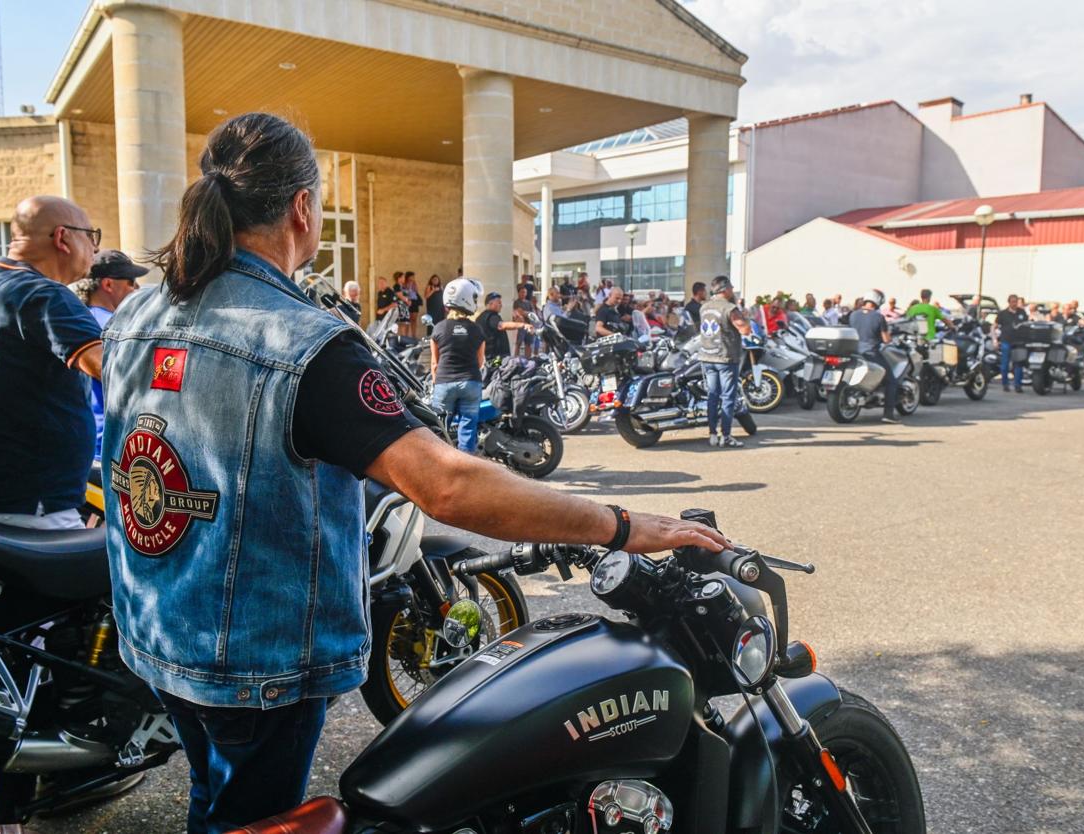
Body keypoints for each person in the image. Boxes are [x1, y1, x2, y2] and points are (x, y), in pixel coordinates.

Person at [100, 114, 726, 834]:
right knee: (253, 815)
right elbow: (447, 485)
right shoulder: (303, 340)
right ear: (302, 209)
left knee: (218, 800)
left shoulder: (138, 310)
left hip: (159, 624)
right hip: (254, 658)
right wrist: (624, 525)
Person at [0, 195, 104, 530]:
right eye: (91, 237)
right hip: (33, 506)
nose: (95, 249)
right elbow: (113, 369)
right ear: (63, 238)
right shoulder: (45, 296)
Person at [78, 249, 145, 457]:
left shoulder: (78, 319)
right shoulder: (115, 326)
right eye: (131, 282)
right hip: (111, 447)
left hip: (87, 444)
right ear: (108, 284)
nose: (136, 289)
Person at [430, 278, 485, 453]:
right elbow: (480, 362)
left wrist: (435, 382)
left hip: (444, 382)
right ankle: (466, 470)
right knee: (468, 429)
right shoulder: (476, 329)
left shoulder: (439, 328)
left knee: (440, 429)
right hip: (470, 382)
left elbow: (434, 363)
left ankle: (440, 467)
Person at [698, 275, 751, 448]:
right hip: (725, 357)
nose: (733, 290)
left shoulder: (704, 308)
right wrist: (746, 318)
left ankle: (712, 434)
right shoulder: (730, 308)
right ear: (725, 289)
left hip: (707, 356)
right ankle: (726, 436)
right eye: (731, 287)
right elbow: (744, 330)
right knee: (728, 397)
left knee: (712, 396)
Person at [848, 289, 898, 423]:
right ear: (879, 301)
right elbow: (886, 339)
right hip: (871, 353)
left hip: (854, 353)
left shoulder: (853, 315)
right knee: (891, 381)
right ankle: (888, 414)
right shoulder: (878, 317)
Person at [475, 291, 531, 363]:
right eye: (499, 302)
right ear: (490, 303)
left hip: (488, 358)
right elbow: (502, 325)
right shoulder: (491, 316)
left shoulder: (480, 317)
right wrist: (523, 325)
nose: (501, 305)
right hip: (496, 359)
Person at [993, 294, 1028, 392]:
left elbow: (1026, 325)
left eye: (1016, 301)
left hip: (1019, 342)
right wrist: (995, 339)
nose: (1014, 304)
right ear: (1009, 302)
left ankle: (1018, 385)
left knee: (1019, 364)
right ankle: (1005, 384)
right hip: (1006, 341)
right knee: (1005, 364)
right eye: (1012, 302)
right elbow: (994, 327)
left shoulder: (1022, 312)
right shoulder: (1003, 314)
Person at [512, 283, 536, 357]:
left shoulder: (529, 303)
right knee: (518, 343)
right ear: (519, 293)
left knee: (528, 344)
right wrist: (525, 313)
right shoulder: (516, 302)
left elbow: (533, 314)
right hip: (520, 327)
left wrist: (525, 313)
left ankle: (528, 359)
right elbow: (518, 312)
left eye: (525, 292)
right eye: (522, 292)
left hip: (529, 325)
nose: (523, 294)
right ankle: (516, 358)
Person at [403, 271, 421, 335]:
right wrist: (408, 285)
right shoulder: (404, 283)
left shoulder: (414, 283)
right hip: (407, 301)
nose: (413, 278)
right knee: (407, 320)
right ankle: (406, 335)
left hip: (414, 301)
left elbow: (416, 291)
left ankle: (414, 335)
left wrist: (413, 285)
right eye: (412, 276)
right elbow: (405, 292)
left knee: (414, 320)